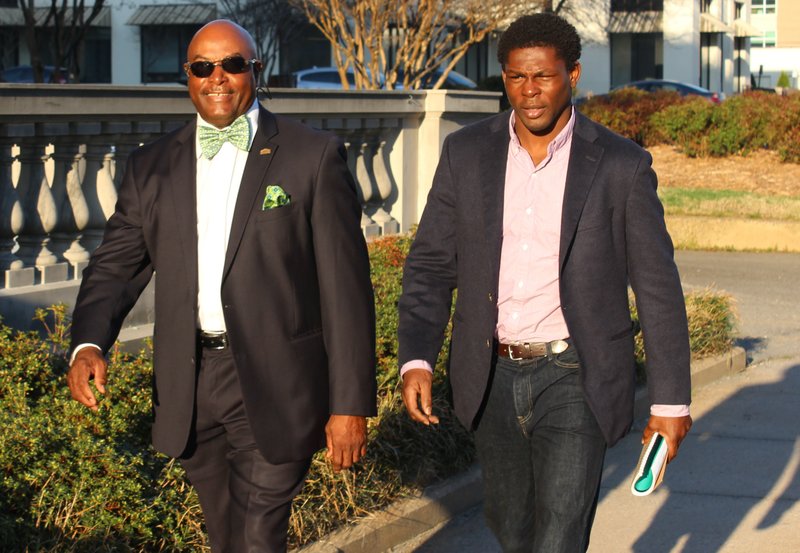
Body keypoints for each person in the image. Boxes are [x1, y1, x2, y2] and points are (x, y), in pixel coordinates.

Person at [66, 19, 376, 553]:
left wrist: (350, 404)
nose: (218, 78)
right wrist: (90, 342)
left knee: (259, 536)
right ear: (187, 76)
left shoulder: (312, 156)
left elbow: (347, 291)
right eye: (203, 67)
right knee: (227, 537)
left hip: (279, 380)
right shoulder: (153, 166)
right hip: (190, 384)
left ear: (256, 71)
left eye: (233, 64)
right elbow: (114, 266)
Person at [398, 13, 692, 553]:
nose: (529, 93)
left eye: (543, 77)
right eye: (515, 77)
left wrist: (669, 403)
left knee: (559, 534)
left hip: (575, 373)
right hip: (490, 373)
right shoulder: (465, 154)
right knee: (512, 527)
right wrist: (417, 356)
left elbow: (657, 286)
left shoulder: (621, 166)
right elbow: (431, 264)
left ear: (573, 75)